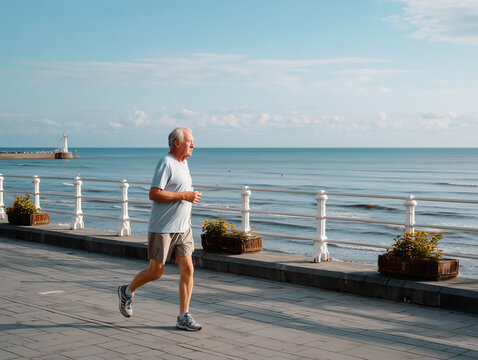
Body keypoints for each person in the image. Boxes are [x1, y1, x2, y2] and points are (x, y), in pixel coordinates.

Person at [117, 127, 203, 331]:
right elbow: (154, 194)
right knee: (156, 272)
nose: (193, 145)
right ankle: (127, 291)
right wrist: (185, 196)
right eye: (190, 141)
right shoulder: (166, 163)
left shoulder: (185, 163)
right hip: (162, 229)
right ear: (177, 143)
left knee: (188, 269)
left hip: (183, 228)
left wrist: (188, 197)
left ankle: (184, 316)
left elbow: (180, 191)